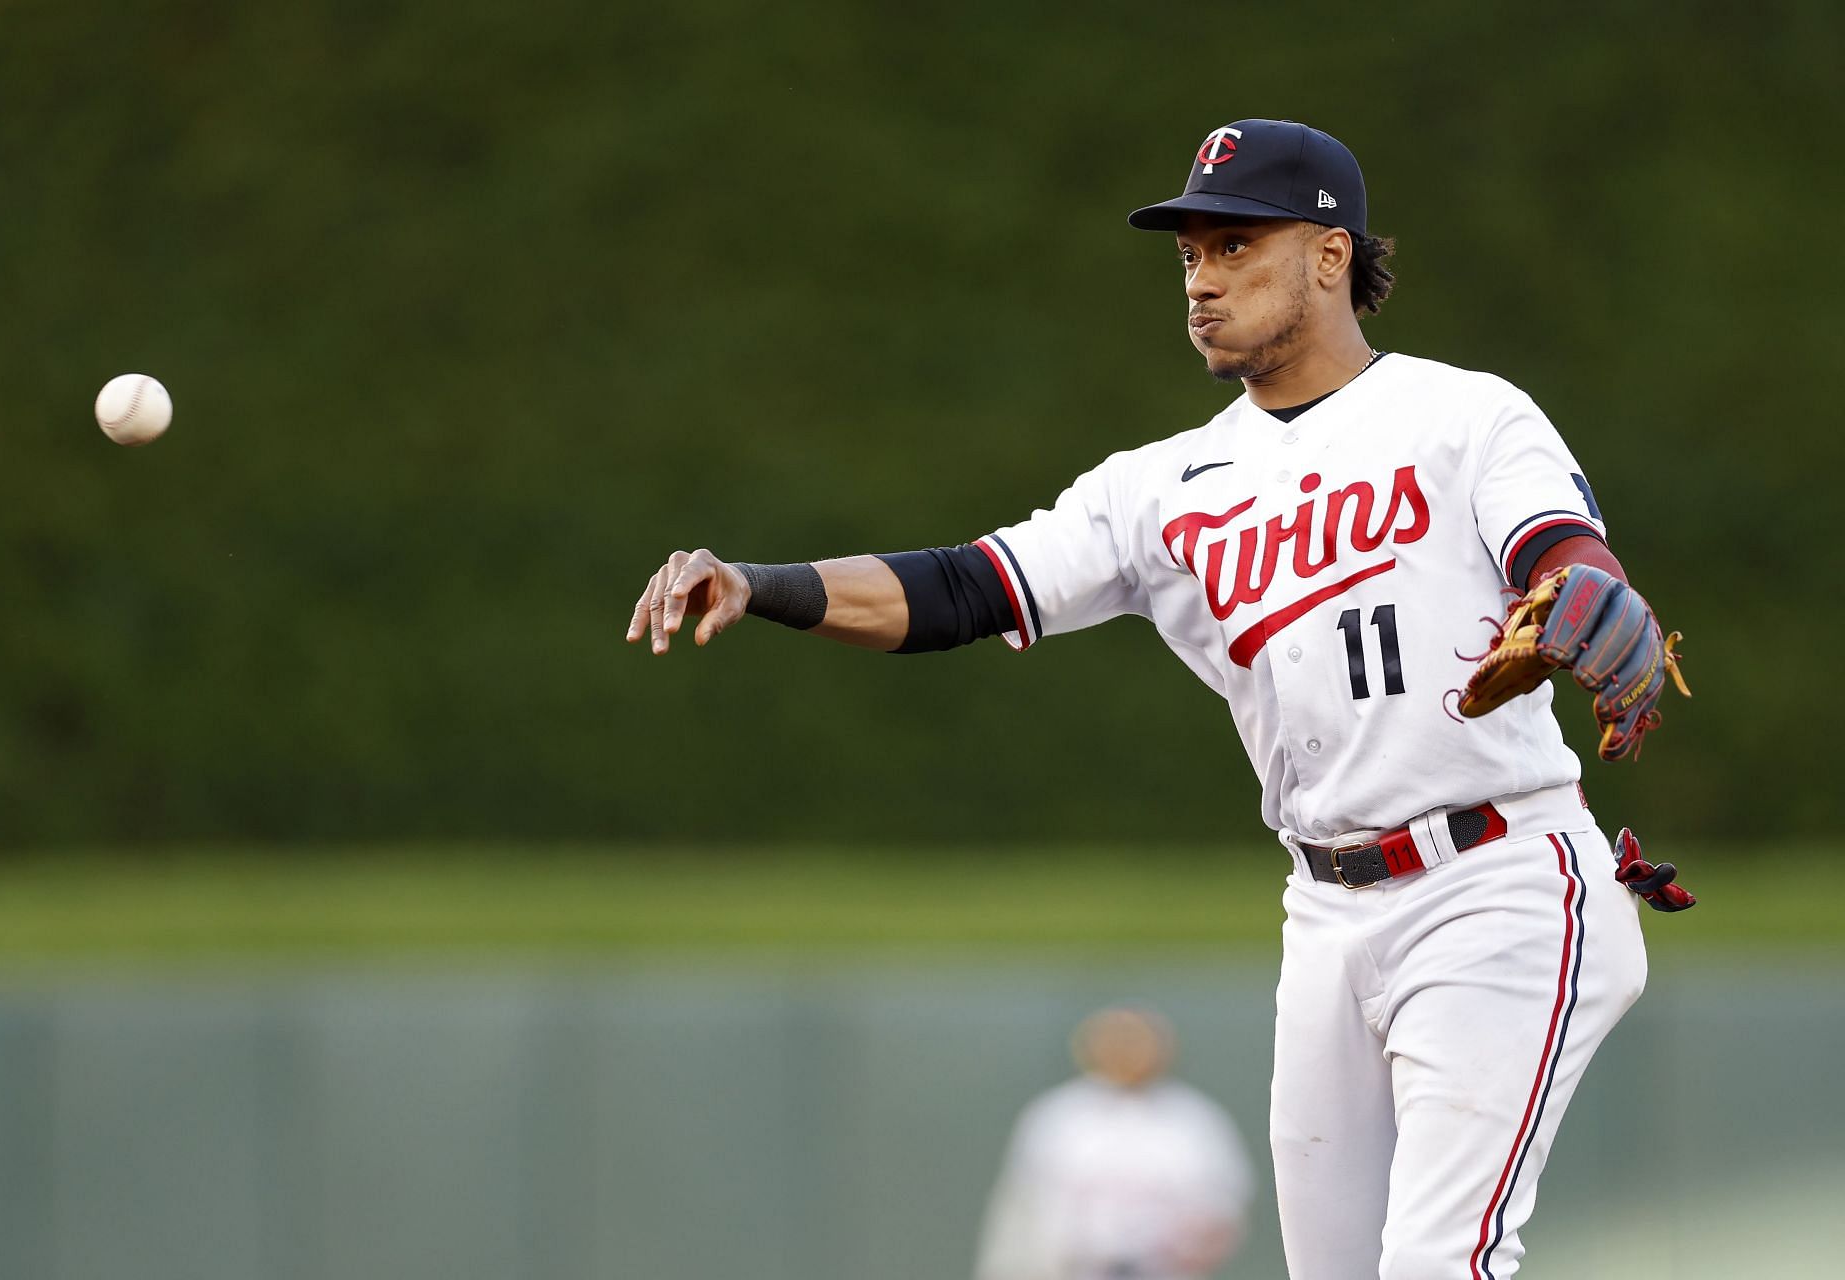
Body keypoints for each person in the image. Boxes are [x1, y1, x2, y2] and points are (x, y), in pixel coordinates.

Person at [624, 118, 1693, 1278]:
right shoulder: (1157, 488)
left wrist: (1583, 586)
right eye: (1190, 254)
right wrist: (763, 583)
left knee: (1440, 1262)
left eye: (1237, 245)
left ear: (1331, 256)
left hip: (1496, 881)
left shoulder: (1466, 415)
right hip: (1329, 908)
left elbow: (1563, 550)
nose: (1202, 279)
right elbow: (961, 587)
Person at [974, 1006, 1253, 1280]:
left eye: (1138, 1041)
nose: (1128, 1051)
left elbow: (1224, 1205)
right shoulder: (1057, 1117)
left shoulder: (1194, 1121)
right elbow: (1022, 1210)